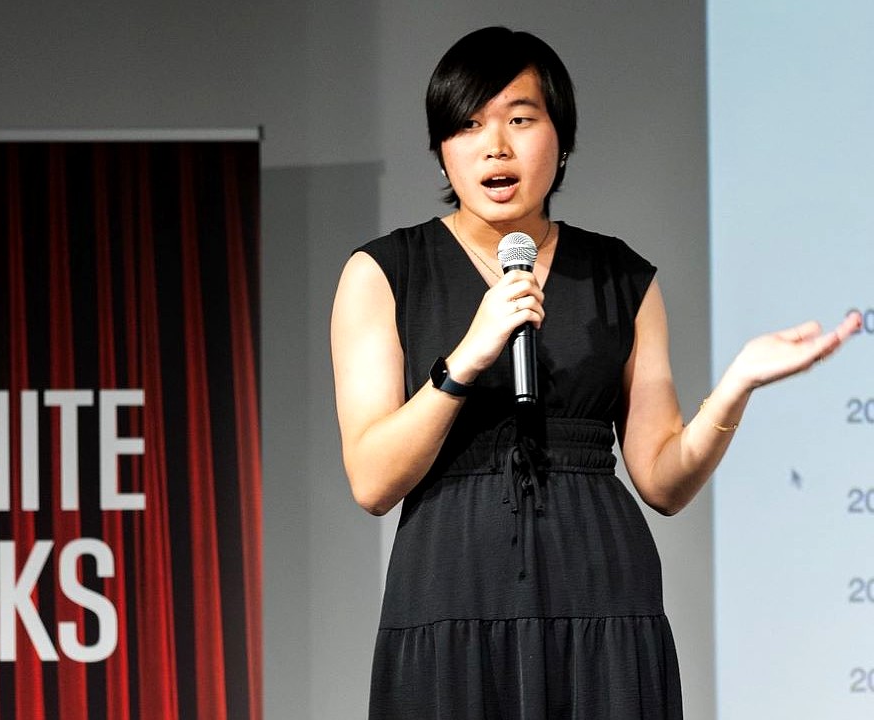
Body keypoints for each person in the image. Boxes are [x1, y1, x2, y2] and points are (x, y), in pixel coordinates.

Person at [330, 26, 859, 719]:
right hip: (449, 592)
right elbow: (373, 480)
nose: (495, 146)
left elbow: (663, 480)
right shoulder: (383, 273)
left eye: (520, 120)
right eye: (468, 126)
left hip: (600, 594)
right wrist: (465, 358)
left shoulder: (620, 276)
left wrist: (735, 386)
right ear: (442, 150)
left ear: (562, 137)